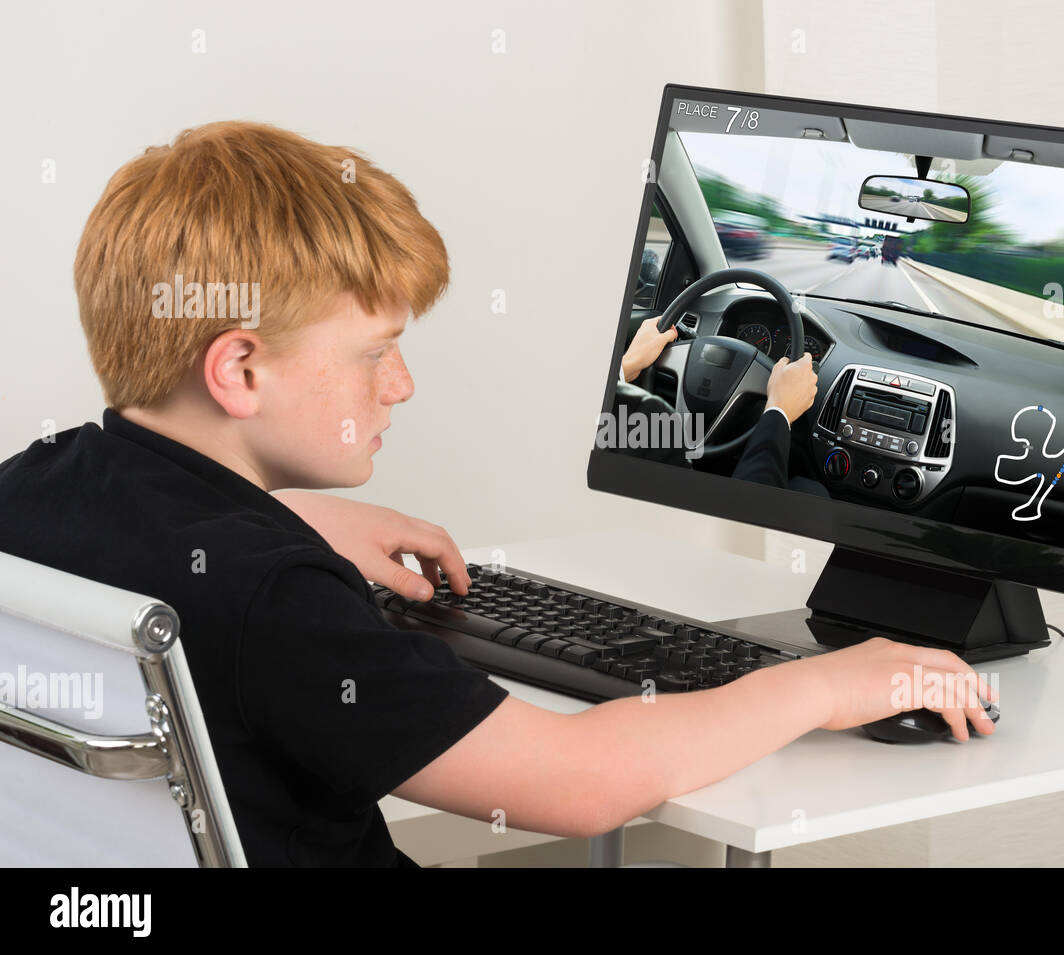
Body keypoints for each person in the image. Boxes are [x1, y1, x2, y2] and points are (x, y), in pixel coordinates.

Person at [0, 121, 996, 867]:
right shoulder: (278, 601)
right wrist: (828, 682)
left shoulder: (32, 492)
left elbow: (144, 519)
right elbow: (577, 787)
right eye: (376, 353)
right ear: (240, 372)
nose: (401, 385)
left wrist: (286, 521)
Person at [614, 316, 819, 488]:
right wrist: (779, 408)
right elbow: (749, 509)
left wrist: (627, 364)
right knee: (812, 490)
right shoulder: (650, 414)